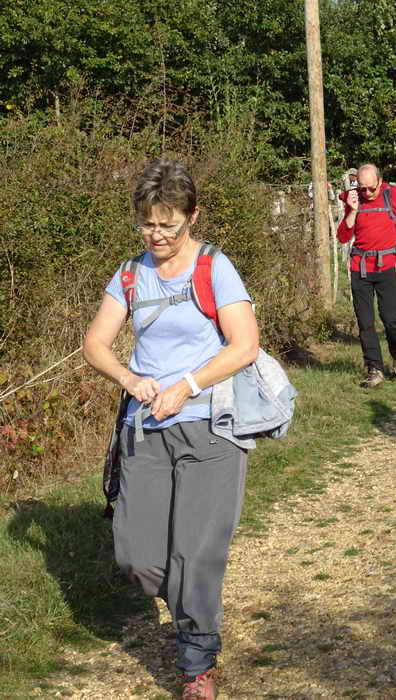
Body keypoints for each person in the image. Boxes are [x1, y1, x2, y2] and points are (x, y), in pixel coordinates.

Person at [83, 158, 260, 700]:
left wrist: (186, 384)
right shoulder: (130, 274)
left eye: (168, 225)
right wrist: (129, 377)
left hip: (211, 427)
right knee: (137, 556)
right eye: (147, 224)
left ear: (192, 217)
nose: (156, 235)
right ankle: (190, 605)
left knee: (195, 554)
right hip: (145, 430)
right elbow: (95, 344)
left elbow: (244, 345)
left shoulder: (214, 267)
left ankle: (196, 663)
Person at [337, 163, 396, 388]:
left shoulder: (393, 196)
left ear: (380, 181)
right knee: (365, 322)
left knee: (391, 319)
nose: (368, 193)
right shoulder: (354, 199)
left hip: (387, 266)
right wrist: (352, 210)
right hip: (360, 267)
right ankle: (375, 369)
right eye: (363, 188)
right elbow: (343, 236)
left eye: (372, 188)